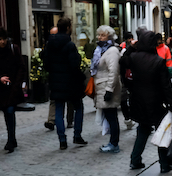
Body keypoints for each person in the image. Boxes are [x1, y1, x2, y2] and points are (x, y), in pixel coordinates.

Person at [121, 29, 172, 172]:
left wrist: (130, 48)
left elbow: (122, 61)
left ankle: (135, 160)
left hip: (138, 99)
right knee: (162, 132)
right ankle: (164, 164)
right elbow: (165, 85)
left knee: (143, 130)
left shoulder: (134, 58)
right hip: (156, 101)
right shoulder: (158, 61)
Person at [43, 17, 87, 150]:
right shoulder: (69, 45)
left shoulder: (49, 44)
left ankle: (62, 139)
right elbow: (74, 64)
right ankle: (77, 135)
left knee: (58, 110)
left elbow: (46, 64)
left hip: (56, 82)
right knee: (78, 107)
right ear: (68, 28)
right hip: (71, 82)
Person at [0, 28, 26, 152]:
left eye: (4, 39)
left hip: (13, 86)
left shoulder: (13, 49)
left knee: (10, 111)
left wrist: (18, 84)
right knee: (6, 111)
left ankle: (11, 138)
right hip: (1, 88)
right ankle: (12, 138)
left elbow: (21, 67)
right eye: (0, 39)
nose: (2, 42)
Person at [92, 25, 123, 153]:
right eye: (99, 35)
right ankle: (112, 142)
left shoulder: (111, 51)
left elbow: (113, 71)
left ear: (109, 37)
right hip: (102, 87)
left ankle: (114, 143)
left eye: (103, 35)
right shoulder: (100, 50)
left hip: (107, 88)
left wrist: (109, 90)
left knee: (112, 117)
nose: (100, 37)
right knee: (109, 116)